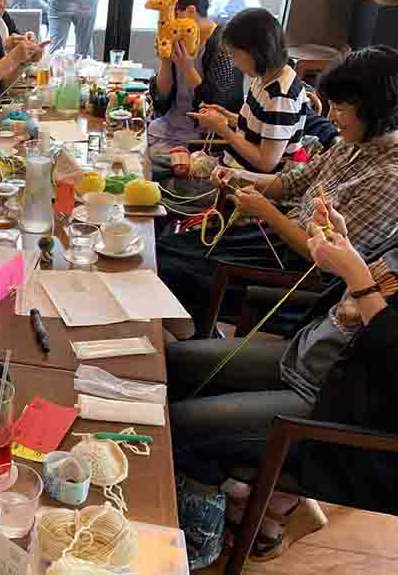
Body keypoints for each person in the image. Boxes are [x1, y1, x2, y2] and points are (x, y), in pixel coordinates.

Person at [170, 203, 398, 563]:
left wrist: (357, 279)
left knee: (178, 427)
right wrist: (343, 251)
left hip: (346, 410)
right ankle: (257, 500)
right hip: (317, 357)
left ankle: (208, 542)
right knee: (175, 365)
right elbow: (383, 285)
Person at [158, 45, 398, 337]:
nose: (333, 118)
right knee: (165, 246)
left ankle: (189, 342)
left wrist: (266, 212)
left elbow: (324, 259)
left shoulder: (389, 178)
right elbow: (290, 184)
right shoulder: (351, 145)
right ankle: (190, 335)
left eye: (340, 108)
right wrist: (233, 176)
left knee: (173, 267)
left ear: (374, 110)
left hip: (293, 266)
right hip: (276, 237)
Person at [187, 8, 311, 174]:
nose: (234, 62)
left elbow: (266, 162)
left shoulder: (281, 96)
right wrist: (227, 117)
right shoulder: (263, 78)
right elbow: (259, 126)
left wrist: (224, 131)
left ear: (255, 52)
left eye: (234, 54)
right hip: (233, 168)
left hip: (250, 184)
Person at [148, 0, 240, 149]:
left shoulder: (222, 46)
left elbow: (214, 103)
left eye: (170, 16)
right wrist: (166, 61)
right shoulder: (178, 38)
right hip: (170, 124)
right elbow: (161, 99)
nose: (165, 24)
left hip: (204, 137)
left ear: (190, 11)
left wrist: (187, 67)